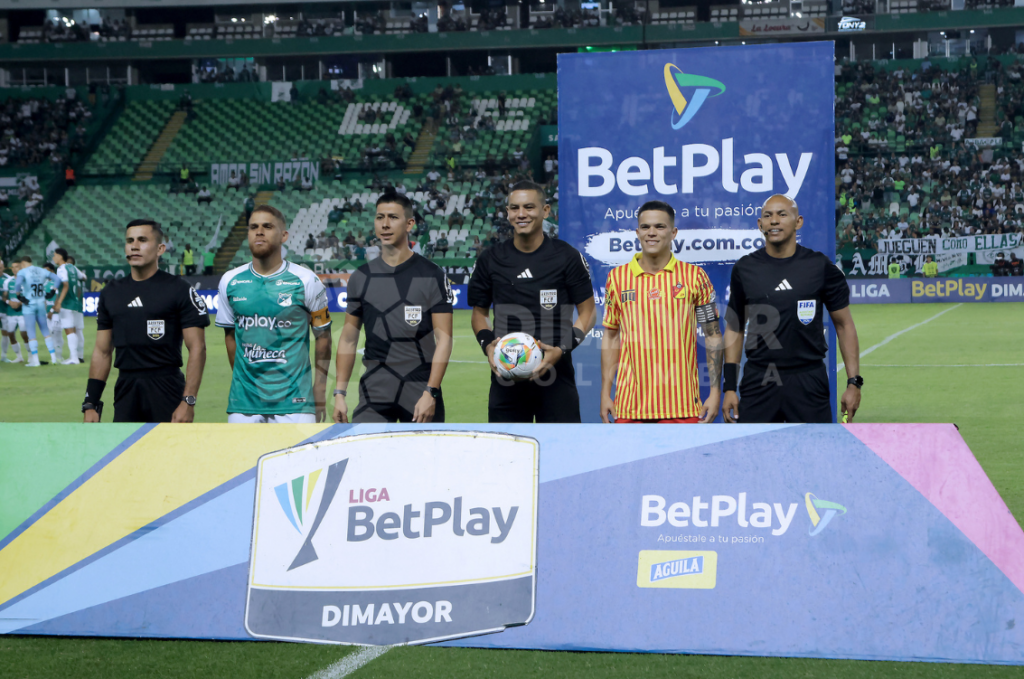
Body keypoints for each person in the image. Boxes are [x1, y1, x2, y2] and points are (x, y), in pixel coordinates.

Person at [722, 194, 862, 424]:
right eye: (768, 216)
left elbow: (844, 324)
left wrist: (854, 382)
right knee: (755, 448)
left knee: (814, 447)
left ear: (798, 222)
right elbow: (734, 328)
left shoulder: (820, 266)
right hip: (759, 380)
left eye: (782, 214)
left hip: (808, 380)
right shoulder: (745, 268)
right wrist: (729, 387)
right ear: (760, 224)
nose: (774, 221)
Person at [468, 180, 596, 423]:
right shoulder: (490, 259)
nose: (521, 214)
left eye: (529, 207)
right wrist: (488, 346)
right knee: (507, 447)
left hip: (557, 377)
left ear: (545, 211)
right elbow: (479, 314)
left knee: (563, 446)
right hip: (506, 378)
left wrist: (561, 350)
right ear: (507, 213)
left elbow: (588, 313)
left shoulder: (567, 257)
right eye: (514, 208)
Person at [334, 194, 453, 423]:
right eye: (380, 217)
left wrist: (431, 392)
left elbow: (444, 340)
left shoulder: (432, 274)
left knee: (426, 449)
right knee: (364, 447)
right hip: (375, 389)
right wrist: (339, 393)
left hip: (420, 389)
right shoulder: (360, 277)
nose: (385, 224)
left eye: (393, 217)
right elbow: (348, 339)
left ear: (409, 224)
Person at [600, 201, 723, 424]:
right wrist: (605, 393)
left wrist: (715, 392)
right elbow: (611, 335)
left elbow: (712, 334)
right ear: (637, 232)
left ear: (673, 232)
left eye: (659, 226)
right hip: (628, 408)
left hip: (682, 407)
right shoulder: (617, 278)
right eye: (645, 227)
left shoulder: (695, 277)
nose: (652, 232)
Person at [216, 205, 332, 423]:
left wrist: (319, 388)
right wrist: (245, 381)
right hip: (244, 403)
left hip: (296, 402)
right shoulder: (230, 281)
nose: (259, 232)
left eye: (267, 227)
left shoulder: (307, 280)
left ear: (283, 236)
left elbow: (323, 337)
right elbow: (230, 337)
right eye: (253, 227)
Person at [83, 220, 208, 423]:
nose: (134, 246)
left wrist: (188, 401)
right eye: (129, 241)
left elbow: (197, 348)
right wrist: (91, 402)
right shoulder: (111, 292)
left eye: (142, 240)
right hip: (125, 389)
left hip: (167, 388)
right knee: (126, 445)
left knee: (169, 445)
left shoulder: (179, 289)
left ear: (160, 249)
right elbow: (102, 351)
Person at [13, 255, 62, 367]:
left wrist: (19, 296)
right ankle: (54, 358)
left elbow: (18, 284)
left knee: (31, 333)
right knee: (45, 331)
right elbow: (57, 279)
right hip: (40, 303)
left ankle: (35, 361)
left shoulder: (23, 272)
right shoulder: (41, 270)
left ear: (23, 263)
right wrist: (52, 291)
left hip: (29, 304)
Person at [52, 248, 86, 364]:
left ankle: (74, 358)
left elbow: (65, 285)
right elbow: (84, 277)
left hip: (67, 303)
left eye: (54, 255)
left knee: (69, 330)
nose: (53, 258)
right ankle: (79, 356)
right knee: (77, 330)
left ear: (60, 256)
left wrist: (59, 302)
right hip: (76, 303)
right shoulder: (72, 268)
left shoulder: (61, 269)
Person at [1, 257, 27, 363]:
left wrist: (19, 303)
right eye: (13, 267)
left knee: (24, 333)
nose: (14, 269)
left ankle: (31, 356)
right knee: (10, 334)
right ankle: (19, 357)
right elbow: (4, 296)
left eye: (17, 267)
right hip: (10, 312)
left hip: (22, 312)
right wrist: (9, 302)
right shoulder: (8, 281)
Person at [43, 263, 65, 362]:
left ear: (52, 271)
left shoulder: (57, 283)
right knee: (50, 335)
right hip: (47, 314)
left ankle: (59, 357)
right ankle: (54, 357)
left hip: (55, 313)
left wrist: (51, 311)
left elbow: (57, 298)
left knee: (57, 334)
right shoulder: (45, 283)